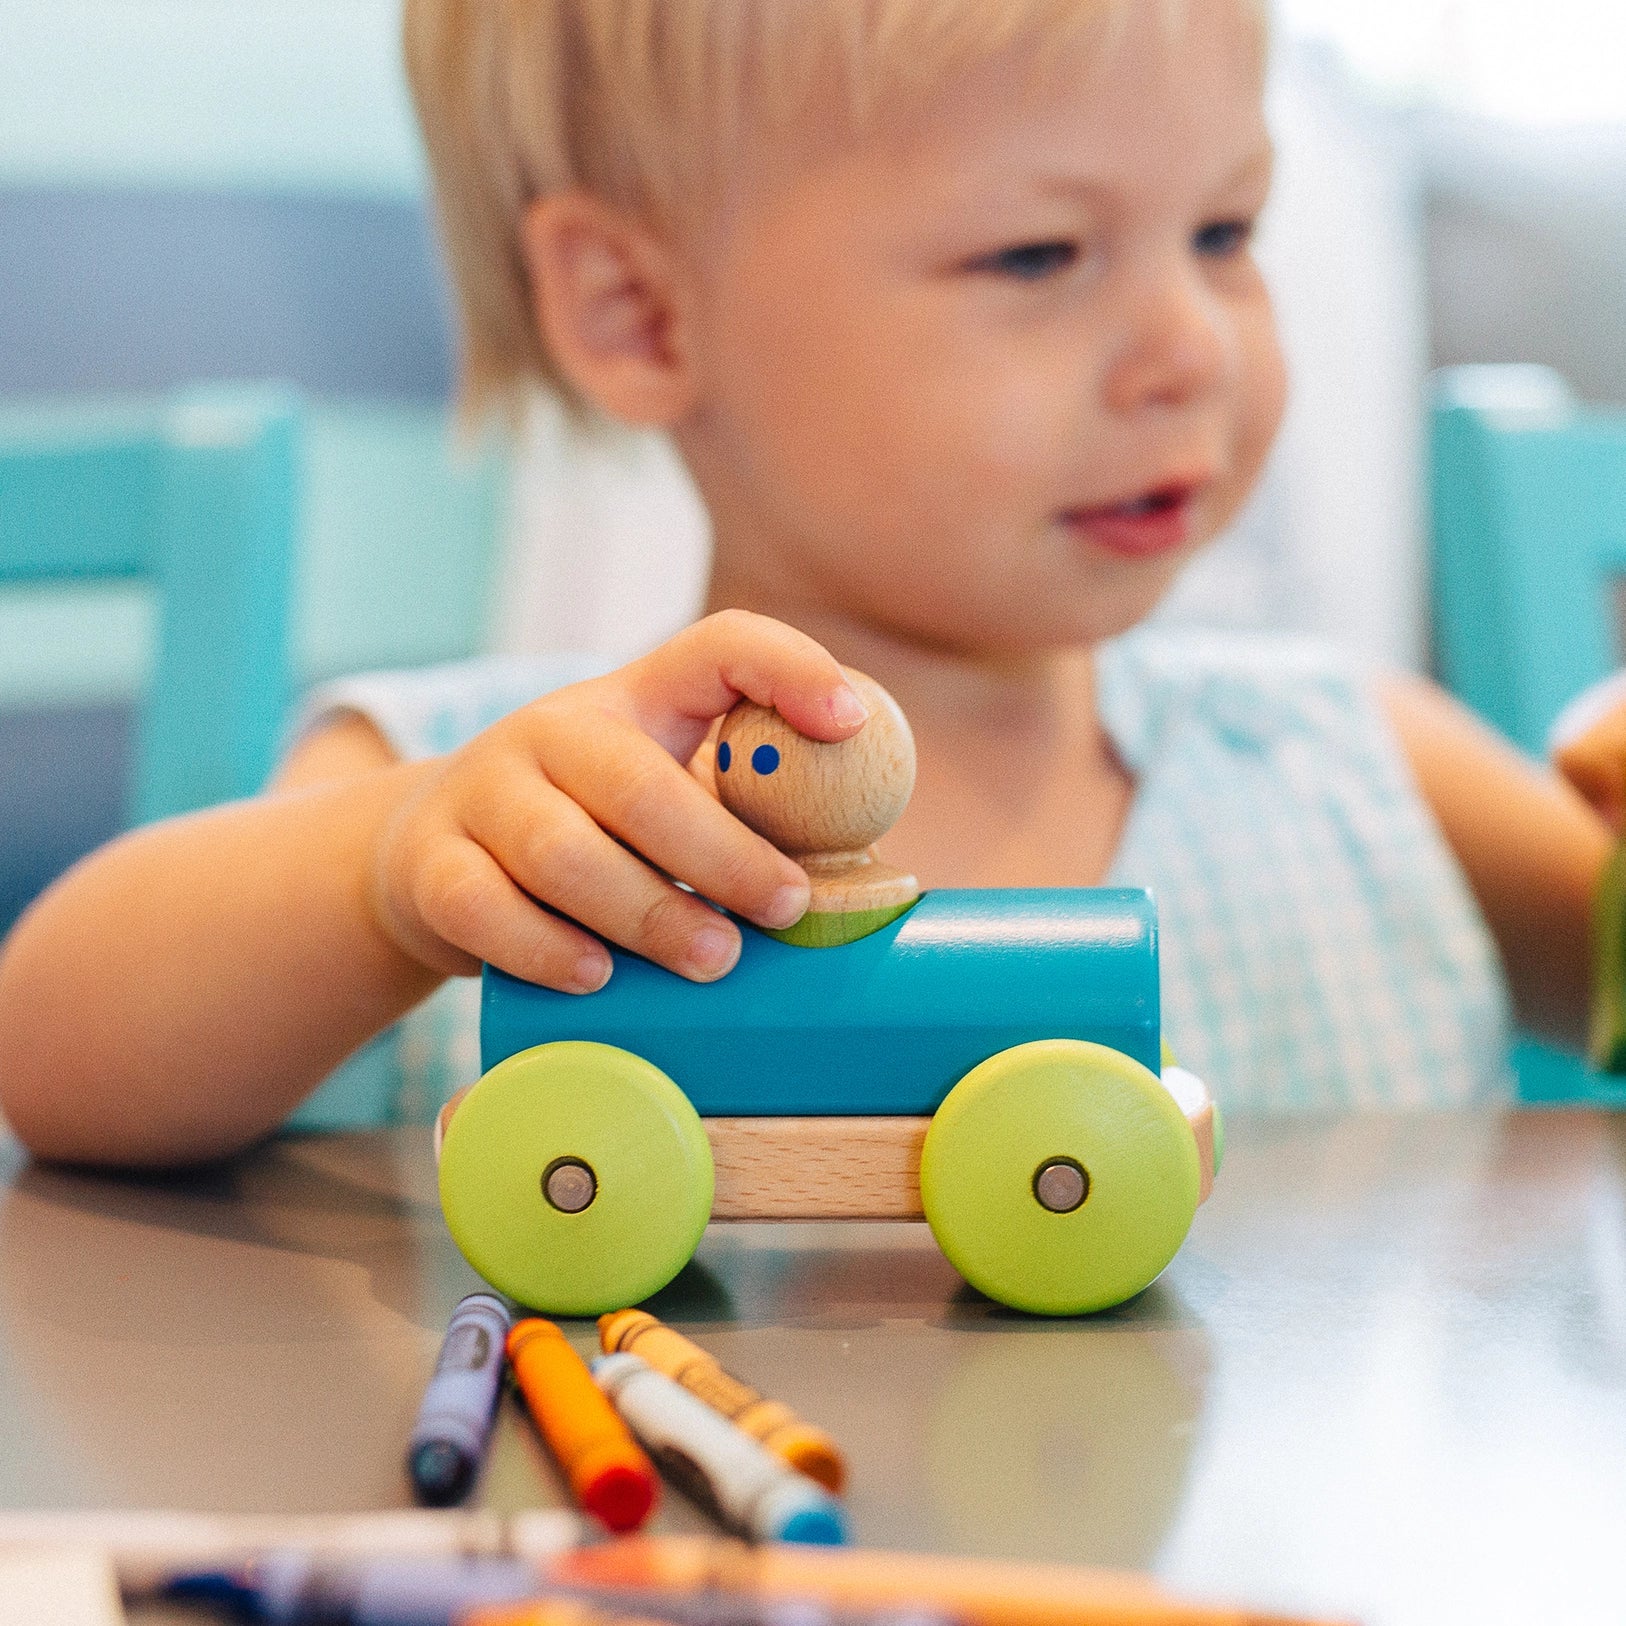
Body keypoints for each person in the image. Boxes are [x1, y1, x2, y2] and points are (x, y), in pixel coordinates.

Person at [0, 0, 1614, 1164]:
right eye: (1037, 256)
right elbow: (51, 1050)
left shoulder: (1355, 760)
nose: (1190, 348)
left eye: (1223, 230)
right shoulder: (503, 809)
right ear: (639, 313)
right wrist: (380, 876)